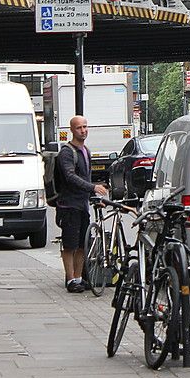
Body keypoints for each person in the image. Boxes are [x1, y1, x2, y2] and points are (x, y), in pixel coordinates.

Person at [54, 115, 108, 292]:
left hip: (82, 205)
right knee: (70, 244)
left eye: (85, 127)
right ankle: (70, 280)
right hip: (68, 205)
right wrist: (93, 188)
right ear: (71, 130)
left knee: (81, 244)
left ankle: (78, 278)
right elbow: (70, 177)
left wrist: (95, 198)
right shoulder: (67, 152)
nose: (83, 130)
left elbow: (86, 177)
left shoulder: (86, 150)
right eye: (79, 128)